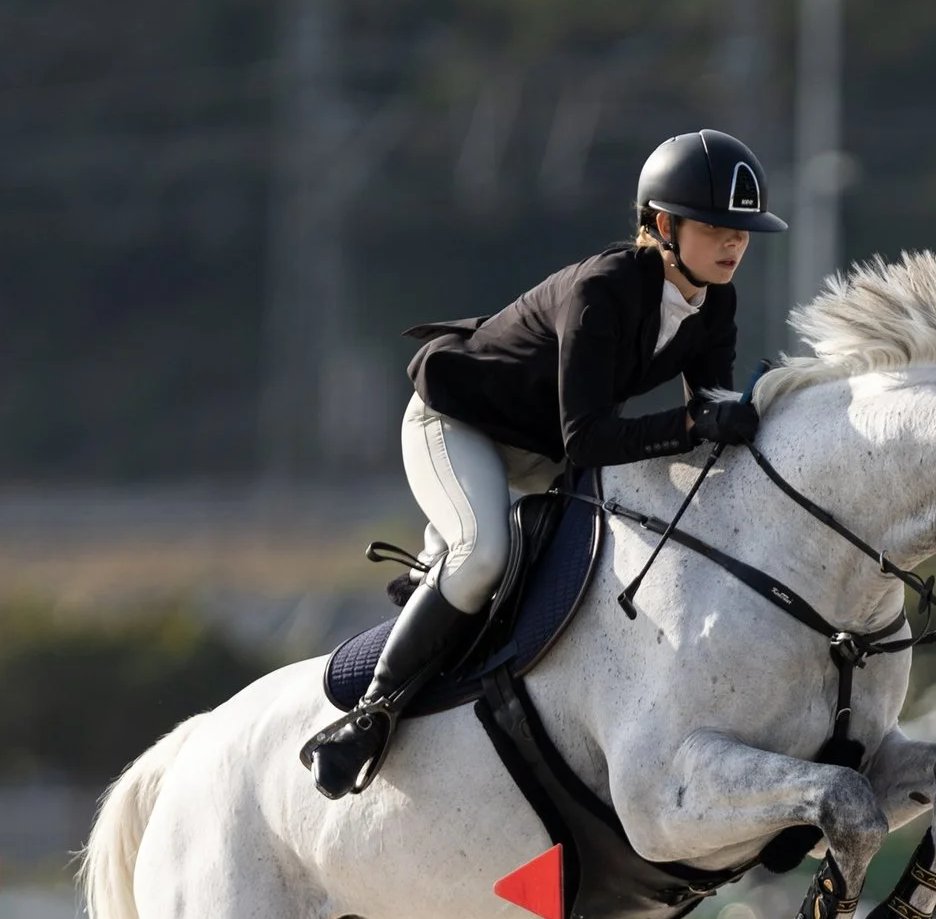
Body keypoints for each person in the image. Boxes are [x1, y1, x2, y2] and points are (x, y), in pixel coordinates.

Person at [302, 129, 787, 798]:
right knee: (480, 559)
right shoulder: (605, 290)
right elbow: (591, 439)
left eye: (743, 231)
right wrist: (689, 424)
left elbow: (705, 407)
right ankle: (368, 719)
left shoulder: (714, 301)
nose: (735, 244)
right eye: (716, 228)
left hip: (542, 447)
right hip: (459, 423)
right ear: (662, 225)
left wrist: (740, 417)